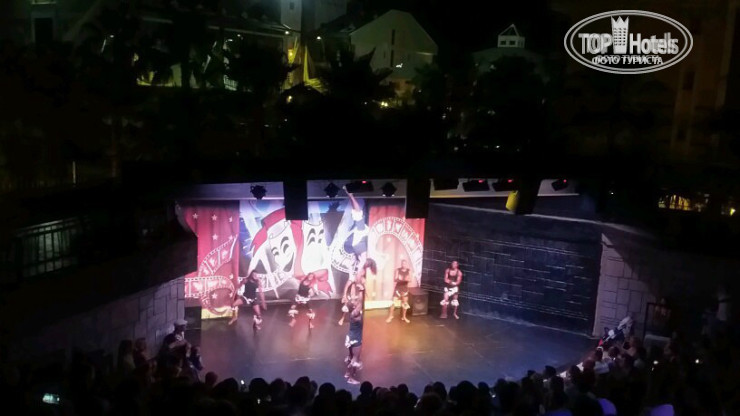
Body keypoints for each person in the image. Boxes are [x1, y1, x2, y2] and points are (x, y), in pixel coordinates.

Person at [338, 258, 376, 325]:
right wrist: (344, 295)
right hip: (354, 292)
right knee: (348, 305)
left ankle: (358, 318)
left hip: (359, 292)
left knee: (359, 306)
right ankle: (343, 318)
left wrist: (365, 290)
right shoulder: (354, 275)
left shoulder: (365, 275)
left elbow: (364, 285)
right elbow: (347, 285)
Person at [344, 299, 364, 385]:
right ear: (353, 306)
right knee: (355, 359)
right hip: (356, 338)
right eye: (354, 301)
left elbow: (359, 303)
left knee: (351, 356)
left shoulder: (353, 313)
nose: (355, 301)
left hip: (351, 336)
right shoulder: (355, 313)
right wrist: (363, 293)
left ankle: (347, 373)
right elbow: (360, 303)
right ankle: (351, 378)